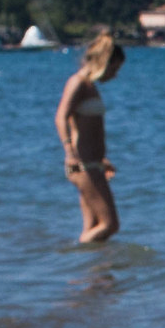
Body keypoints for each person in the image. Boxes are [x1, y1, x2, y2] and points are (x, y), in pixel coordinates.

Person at [55, 33, 125, 244]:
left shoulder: (90, 86)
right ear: (104, 62)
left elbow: (88, 129)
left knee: (94, 226)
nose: (114, 76)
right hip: (82, 165)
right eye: (114, 69)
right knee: (110, 225)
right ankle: (77, 256)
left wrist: (102, 160)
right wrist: (69, 153)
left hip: (93, 164)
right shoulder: (77, 83)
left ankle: (93, 274)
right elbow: (61, 117)